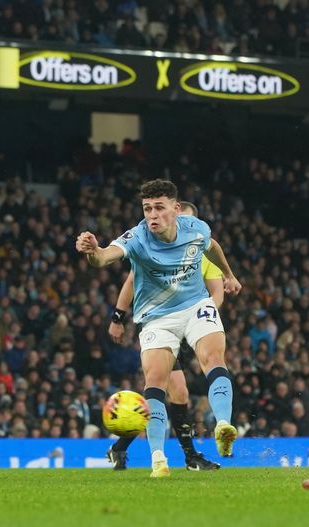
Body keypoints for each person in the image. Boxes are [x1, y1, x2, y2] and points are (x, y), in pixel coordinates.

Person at [76, 179, 242, 478]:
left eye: (159, 208)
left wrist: (228, 274)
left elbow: (212, 246)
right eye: (147, 208)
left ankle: (222, 425)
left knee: (213, 358)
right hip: (156, 317)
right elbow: (102, 259)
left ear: (175, 210)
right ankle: (158, 460)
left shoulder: (195, 228)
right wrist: (92, 249)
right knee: (156, 381)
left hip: (195, 307)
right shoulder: (137, 237)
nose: (152, 215)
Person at [105, 201, 221, 471]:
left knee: (171, 393)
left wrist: (199, 323)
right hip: (159, 324)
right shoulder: (155, 251)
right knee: (173, 391)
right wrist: (118, 317)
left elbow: (217, 295)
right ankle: (189, 457)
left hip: (190, 326)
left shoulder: (202, 256)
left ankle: (120, 448)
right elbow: (132, 281)